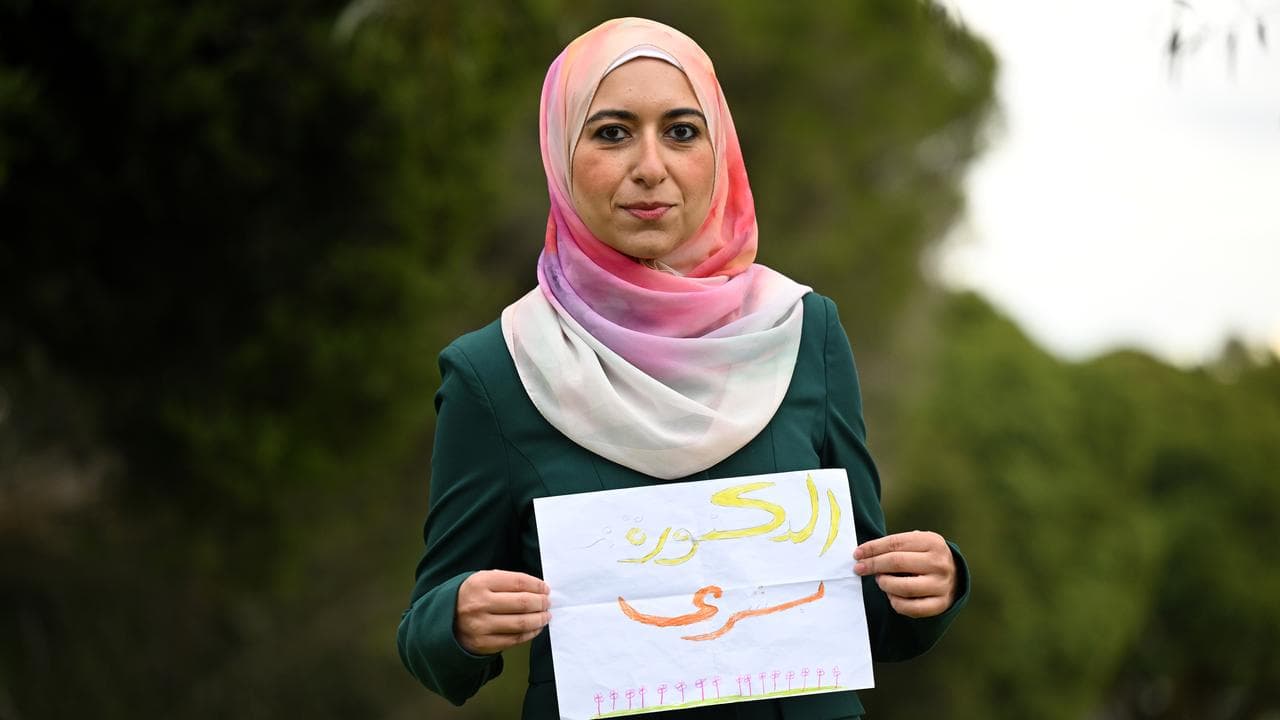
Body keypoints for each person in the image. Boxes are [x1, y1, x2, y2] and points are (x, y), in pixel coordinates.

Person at [397, 17, 969, 720]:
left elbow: (868, 608)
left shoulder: (801, 330)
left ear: (720, 152)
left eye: (681, 131)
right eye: (611, 132)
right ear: (559, 153)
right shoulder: (498, 369)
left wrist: (931, 583)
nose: (650, 166)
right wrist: (456, 619)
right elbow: (427, 631)